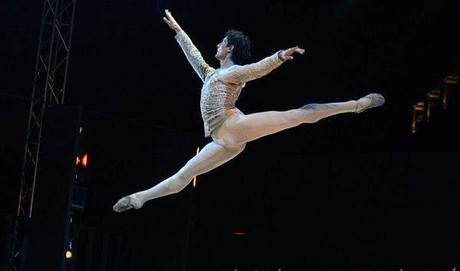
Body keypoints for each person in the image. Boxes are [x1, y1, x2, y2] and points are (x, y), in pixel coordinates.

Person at [113, 9, 385, 212]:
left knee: (295, 116)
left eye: (221, 43)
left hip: (233, 126)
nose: (217, 46)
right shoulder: (211, 74)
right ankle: (139, 198)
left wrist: (279, 56)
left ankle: (356, 105)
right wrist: (178, 30)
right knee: (184, 174)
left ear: (229, 47)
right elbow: (194, 56)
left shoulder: (234, 73)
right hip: (223, 140)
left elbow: (256, 70)